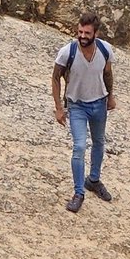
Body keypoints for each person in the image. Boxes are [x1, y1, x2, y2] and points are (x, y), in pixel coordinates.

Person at [51, 12, 116, 213]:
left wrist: (111, 96)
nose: (82, 36)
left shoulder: (105, 50)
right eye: (80, 32)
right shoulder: (67, 52)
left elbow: (107, 73)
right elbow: (55, 78)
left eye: (87, 32)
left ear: (95, 33)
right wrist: (59, 108)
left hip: (99, 103)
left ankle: (94, 180)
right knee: (79, 146)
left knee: (99, 142)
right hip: (77, 105)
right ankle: (79, 192)